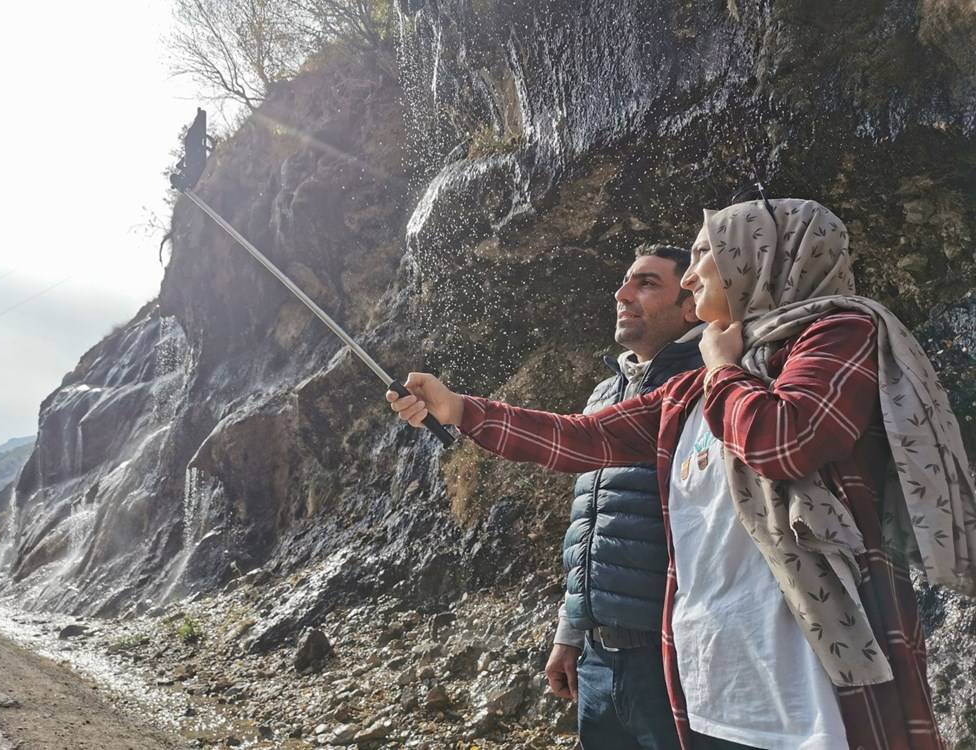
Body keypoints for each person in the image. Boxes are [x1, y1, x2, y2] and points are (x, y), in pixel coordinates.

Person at [388, 197, 976, 749]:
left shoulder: (837, 332)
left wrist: (720, 367)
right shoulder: (692, 387)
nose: (692, 277)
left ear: (759, 253)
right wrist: (458, 409)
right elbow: (584, 438)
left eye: (702, 255)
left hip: (814, 680)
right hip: (711, 679)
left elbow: (784, 441)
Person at [545, 244, 703, 749]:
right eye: (625, 281)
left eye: (647, 283)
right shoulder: (602, 394)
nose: (622, 294)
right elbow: (589, 520)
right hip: (596, 659)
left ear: (691, 306)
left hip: (676, 657)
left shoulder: (708, 382)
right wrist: (570, 633)